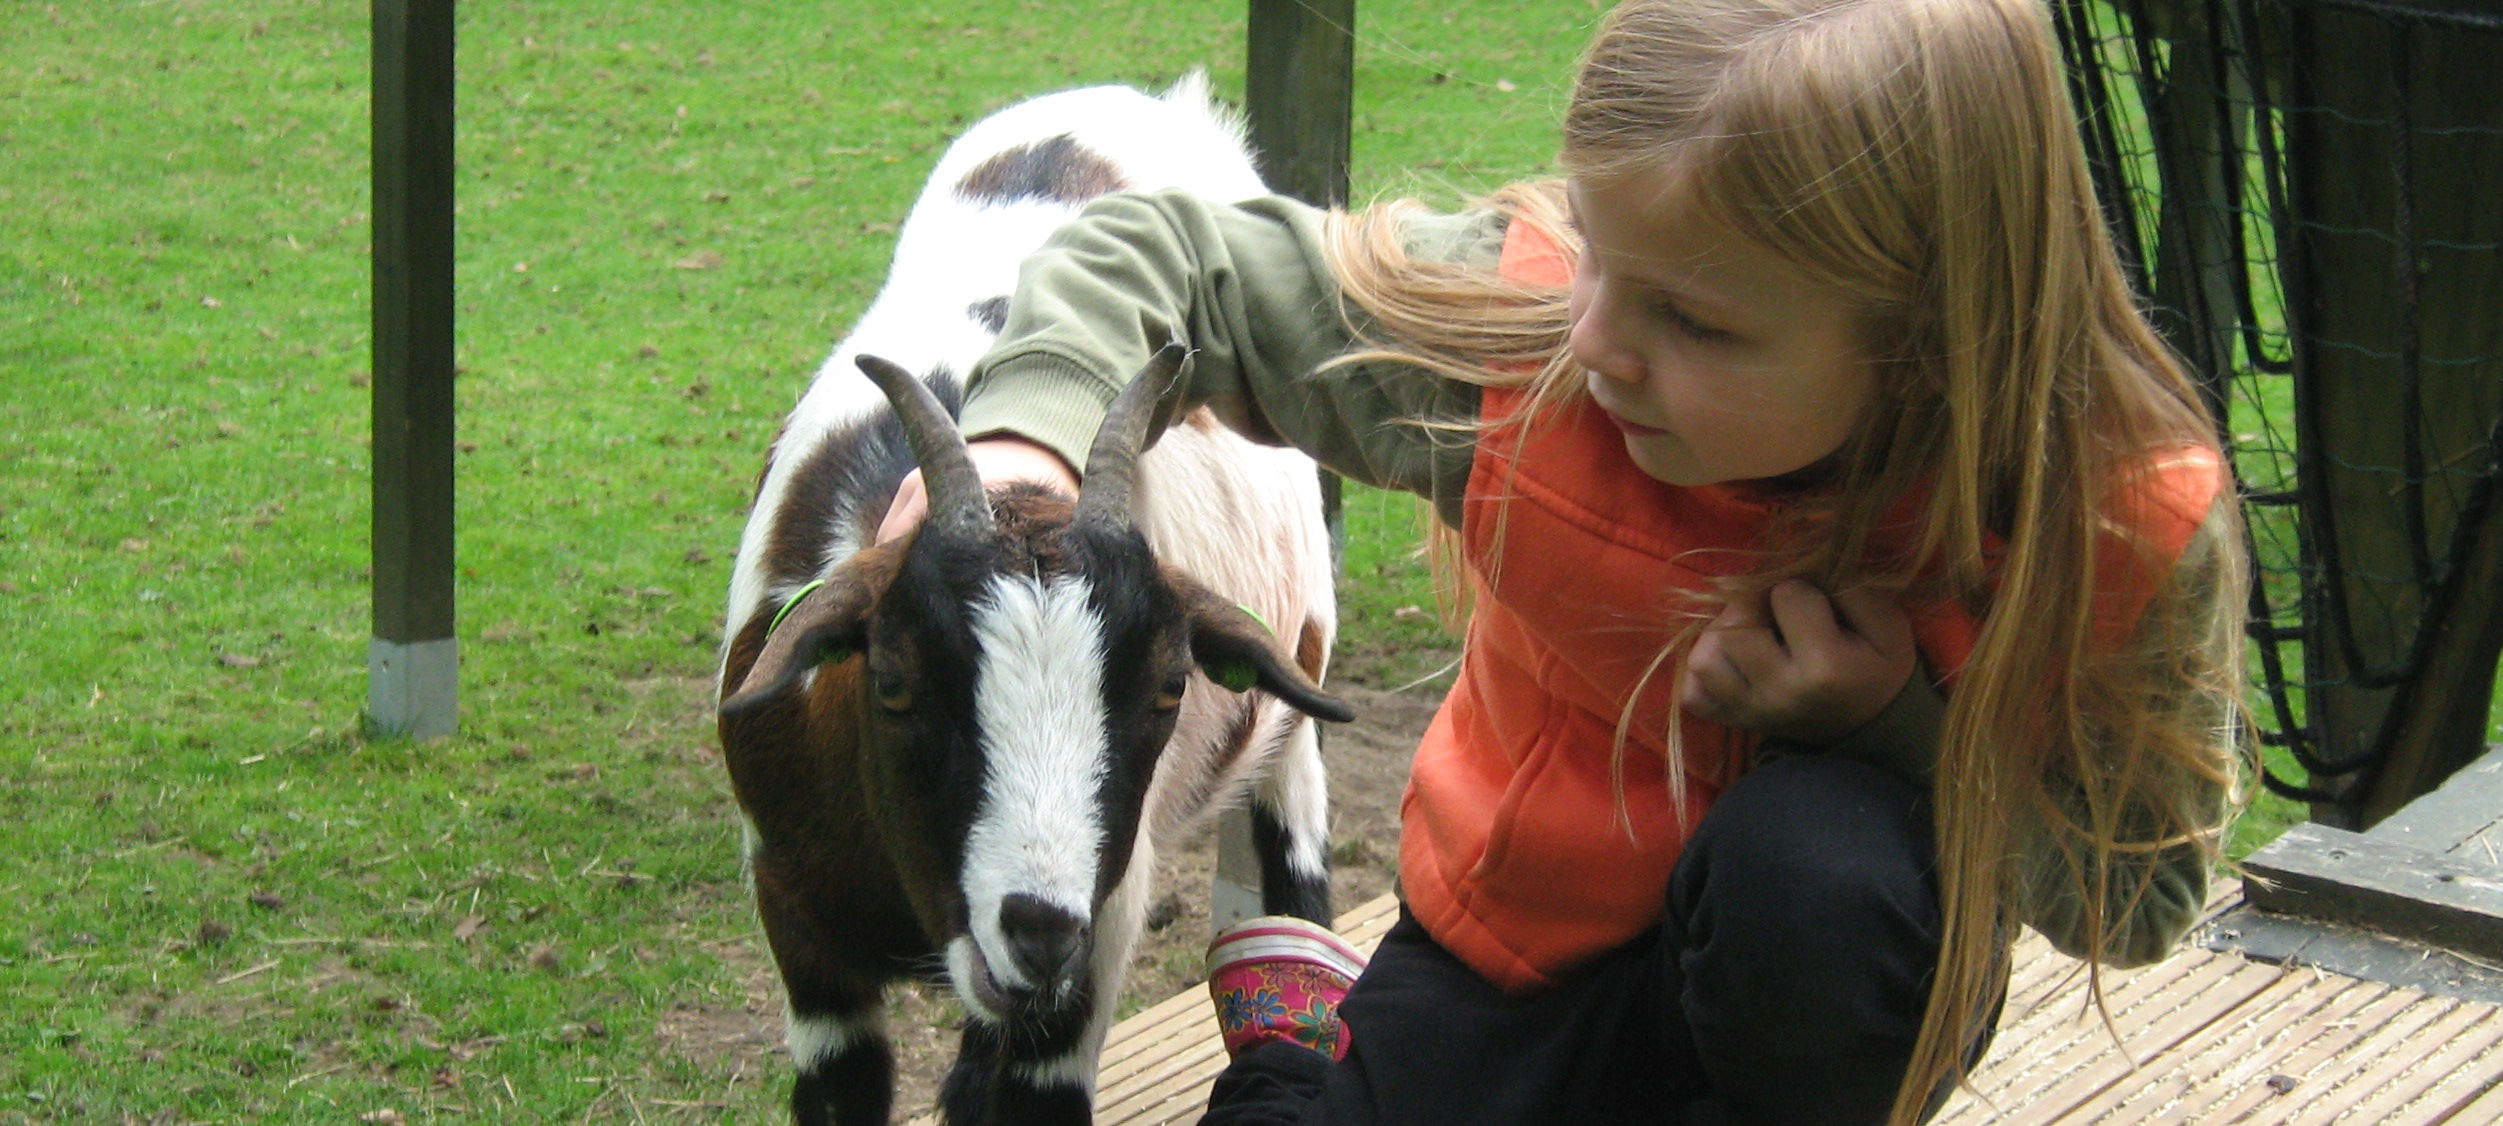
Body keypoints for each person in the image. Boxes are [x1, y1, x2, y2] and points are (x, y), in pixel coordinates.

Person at [878, 0, 2250, 1122]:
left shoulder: (2109, 525)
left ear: (1931, 338)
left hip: (1812, 1012)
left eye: (1694, 320)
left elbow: (2136, 897)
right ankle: (1303, 1042)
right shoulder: (1530, 347)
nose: (1597, 337)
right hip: (1507, 957)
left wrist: (1900, 738)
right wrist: (1022, 451)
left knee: (1819, 879)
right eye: (1597, 251)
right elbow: (1176, 258)